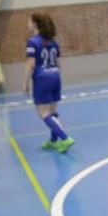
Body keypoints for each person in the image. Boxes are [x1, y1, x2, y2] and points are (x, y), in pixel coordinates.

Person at [25, 13, 73, 153]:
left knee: (43, 113)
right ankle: (54, 140)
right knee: (53, 111)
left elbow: (31, 64)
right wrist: (57, 77)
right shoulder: (53, 42)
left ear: (35, 24)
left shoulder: (32, 42)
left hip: (42, 78)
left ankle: (65, 138)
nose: (27, 25)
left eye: (29, 22)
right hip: (55, 76)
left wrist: (25, 82)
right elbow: (58, 63)